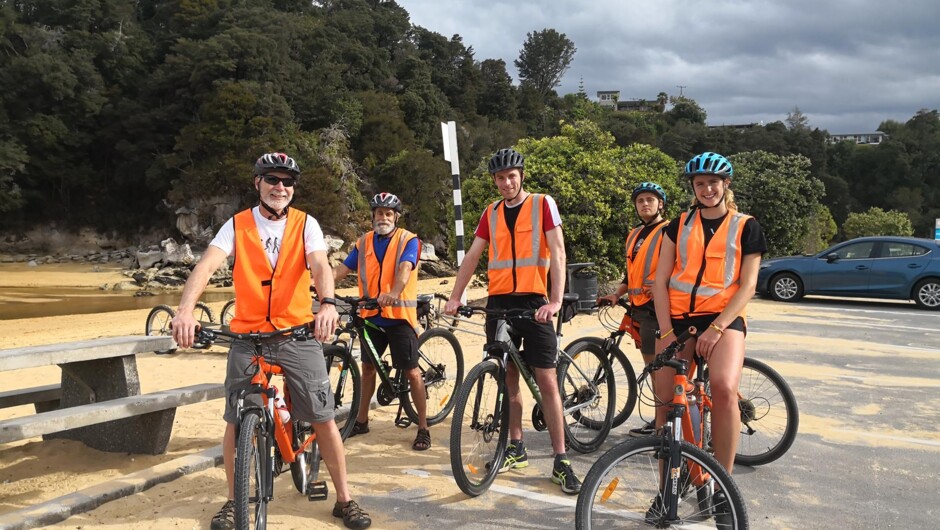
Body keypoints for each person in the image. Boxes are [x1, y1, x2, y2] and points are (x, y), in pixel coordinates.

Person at [170, 152, 371, 530]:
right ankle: (233, 501)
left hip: (296, 333)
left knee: (323, 419)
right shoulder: (237, 225)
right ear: (257, 183)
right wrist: (185, 311)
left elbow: (320, 265)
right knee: (234, 419)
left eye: (287, 182)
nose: (280, 187)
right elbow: (207, 264)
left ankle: (345, 499)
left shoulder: (305, 224)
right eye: (272, 179)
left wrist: (327, 304)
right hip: (248, 336)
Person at [443, 147, 581, 495]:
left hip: (536, 302)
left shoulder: (541, 204)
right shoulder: (490, 213)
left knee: (547, 382)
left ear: (521, 176)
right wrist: (456, 296)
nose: (506, 183)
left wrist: (554, 300)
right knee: (507, 376)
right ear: (495, 181)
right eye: (500, 178)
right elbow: (473, 255)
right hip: (500, 301)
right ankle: (515, 447)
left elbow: (559, 251)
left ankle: (561, 460)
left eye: (511, 176)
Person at [651, 152, 766, 523]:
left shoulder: (746, 226)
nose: (707, 189)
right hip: (679, 320)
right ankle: (664, 493)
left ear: (726, 185)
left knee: (723, 387)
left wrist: (717, 328)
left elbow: (747, 286)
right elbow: (660, 282)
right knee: (666, 402)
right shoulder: (678, 225)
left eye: (713, 183)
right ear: (693, 188)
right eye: (699, 184)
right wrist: (667, 331)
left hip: (723, 319)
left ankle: (721, 487)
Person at [333, 192, 431, 451]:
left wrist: (394, 292)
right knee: (367, 369)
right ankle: (362, 420)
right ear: (373, 216)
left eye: (388, 214)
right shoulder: (363, 243)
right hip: (371, 316)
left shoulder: (408, 240)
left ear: (396, 217)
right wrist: (316, 283)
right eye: (379, 213)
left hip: (398, 316)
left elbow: (405, 269)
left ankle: (423, 427)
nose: (383, 218)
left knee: (411, 372)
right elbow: (341, 271)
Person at [596, 182, 669, 437]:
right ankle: (663, 419)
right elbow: (631, 272)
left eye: (651, 199)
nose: (645, 204)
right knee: (653, 367)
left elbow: (681, 265)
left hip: (657, 309)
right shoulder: (634, 234)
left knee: (659, 368)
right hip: (638, 307)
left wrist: (664, 283)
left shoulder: (669, 230)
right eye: (640, 201)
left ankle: (664, 424)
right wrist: (617, 293)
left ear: (661, 204)